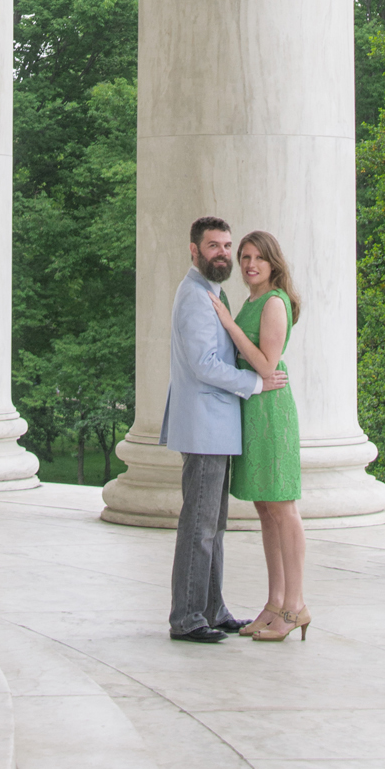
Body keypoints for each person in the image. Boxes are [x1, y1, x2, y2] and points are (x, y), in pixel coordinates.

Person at [161, 216, 289, 642]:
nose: (222, 253)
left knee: (213, 526)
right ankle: (187, 617)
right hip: (203, 426)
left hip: (218, 427)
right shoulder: (195, 297)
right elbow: (204, 365)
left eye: (226, 246)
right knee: (198, 525)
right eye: (213, 246)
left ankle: (212, 609)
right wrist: (257, 383)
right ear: (194, 251)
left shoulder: (214, 293)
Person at [210, 230, 309, 642]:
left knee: (283, 509)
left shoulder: (272, 302)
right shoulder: (252, 299)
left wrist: (229, 326)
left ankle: (296, 605)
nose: (250, 264)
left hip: (272, 413)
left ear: (273, 263)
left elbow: (268, 367)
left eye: (258, 258)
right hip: (253, 411)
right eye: (245, 257)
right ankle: (274, 603)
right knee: (265, 511)